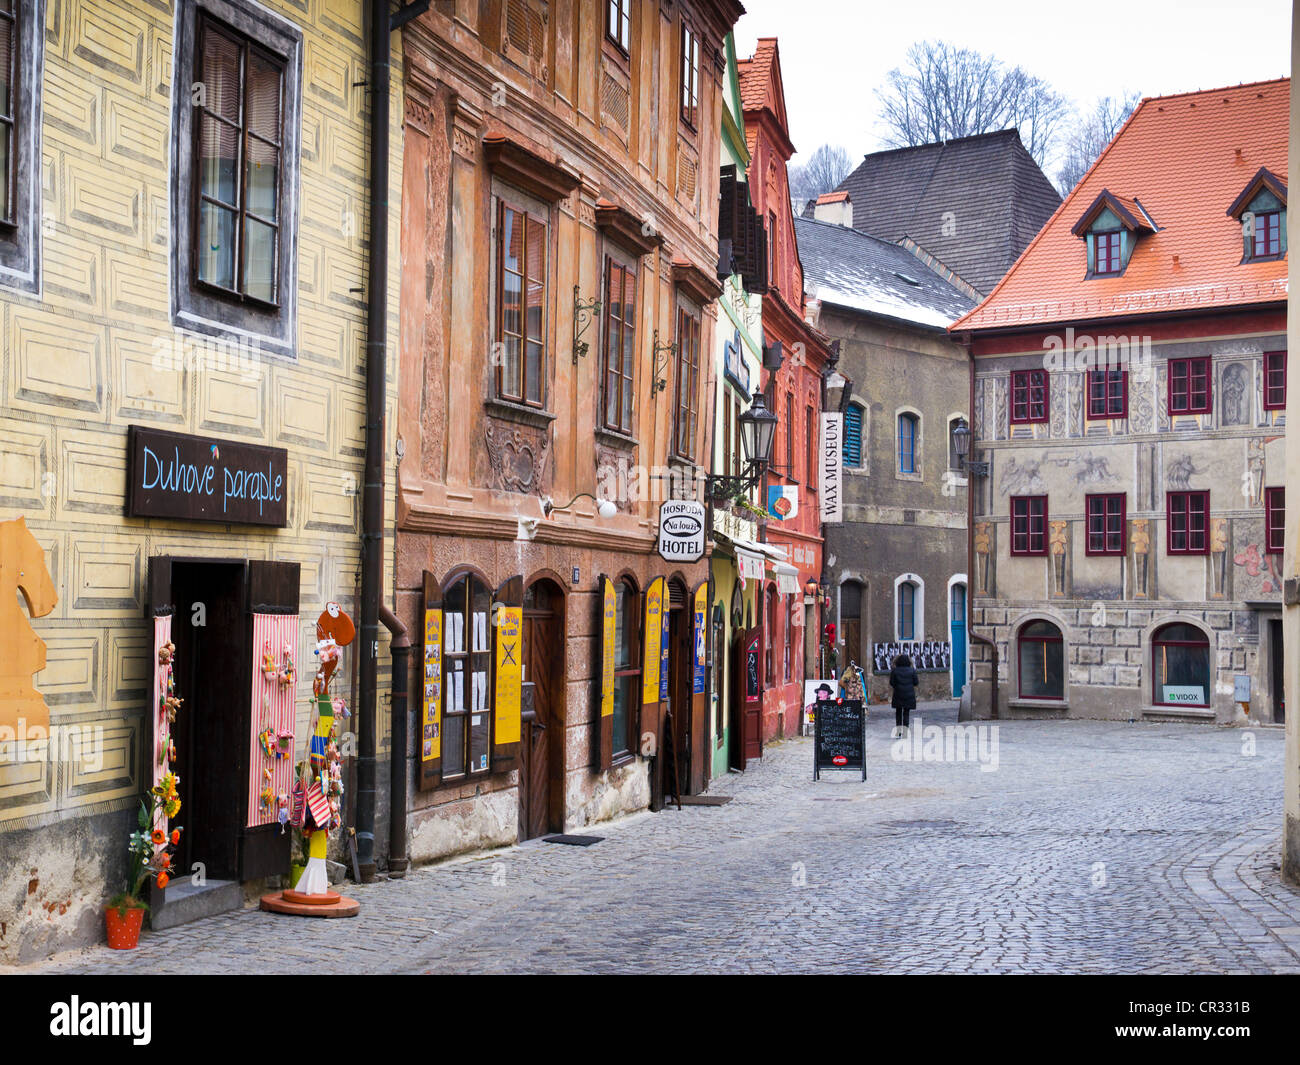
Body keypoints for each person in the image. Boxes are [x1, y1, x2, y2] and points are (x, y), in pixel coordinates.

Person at [889, 653, 918, 736]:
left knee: (898, 713)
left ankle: (898, 731)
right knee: (906, 713)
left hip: (898, 694)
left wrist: (897, 686)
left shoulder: (895, 671)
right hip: (909, 695)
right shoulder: (912, 670)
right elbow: (916, 682)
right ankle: (905, 732)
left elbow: (891, 682)